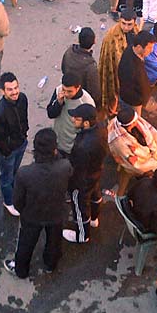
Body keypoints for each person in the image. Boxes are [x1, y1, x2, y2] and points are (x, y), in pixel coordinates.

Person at [4, 128, 72, 278]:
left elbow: (18, 201)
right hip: (56, 212)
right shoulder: (65, 166)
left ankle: (21, 270)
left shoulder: (24, 173)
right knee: (54, 242)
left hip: (32, 215)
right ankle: (50, 265)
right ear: (54, 149)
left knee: (26, 244)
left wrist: (24, 211)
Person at [62, 104, 108, 243]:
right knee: (95, 196)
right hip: (96, 172)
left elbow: (75, 167)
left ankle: (82, 235)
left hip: (80, 182)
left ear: (86, 123)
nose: (73, 120)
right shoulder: (101, 129)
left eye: (76, 119)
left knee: (79, 207)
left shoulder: (83, 146)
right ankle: (94, 219)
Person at [0, 72, 29, 217]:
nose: (14, 92)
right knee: (6, 177)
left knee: (14, 172)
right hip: (8, 151)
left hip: (21, 143)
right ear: (3, 91)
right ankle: (8, 202)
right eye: (10, 89)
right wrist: (7, 151)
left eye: (16, 87)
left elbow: (24, 118)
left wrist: (24, 134)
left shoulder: (23, 98)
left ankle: (14, 192)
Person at [100, 9, 140, 115]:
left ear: (134, 23)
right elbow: (109, 61)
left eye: (129, 24)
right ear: (119, 21)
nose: (126, 27)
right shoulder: (111, 37)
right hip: (117, 72)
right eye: (123, 24)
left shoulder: (136, 30)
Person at [46, 74, 96, 155]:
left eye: (69, 91)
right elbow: (50, 114)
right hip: (58, 142)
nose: (65, 94)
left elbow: (89, 129)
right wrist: (59, 103)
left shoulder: (87, 102)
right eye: (64, 89)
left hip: (73, 147)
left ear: (78, 87)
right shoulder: (59, 91)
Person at [118, 31, 156, 114]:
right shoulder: (132, 66)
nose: (151, 50)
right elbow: (140, 86)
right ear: (139, 47)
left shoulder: (131, 49)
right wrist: (143, 100)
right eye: (149, 48)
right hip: (132, 102)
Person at [61, 28, 101, 106]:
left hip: (68, 90)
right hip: (81, 98)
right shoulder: (90, 66)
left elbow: (63, 69)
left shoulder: (69, 51)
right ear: (94, 41)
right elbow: (95, 91)